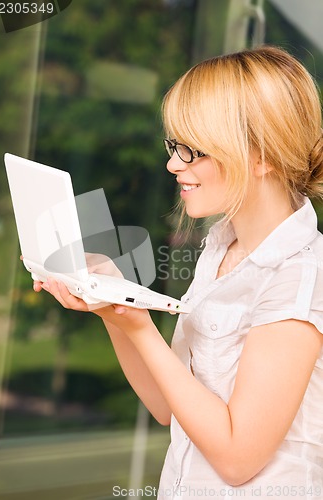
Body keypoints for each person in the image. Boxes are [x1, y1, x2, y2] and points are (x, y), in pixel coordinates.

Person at [34, 46, 323, 499]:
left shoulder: (300, 278)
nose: (174, 164)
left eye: (194, 150)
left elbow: (237, 458)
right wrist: (115, 306)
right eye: (174, 146)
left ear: (263, 156)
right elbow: (169, 406)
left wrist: (142, 326)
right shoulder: (221, 250)